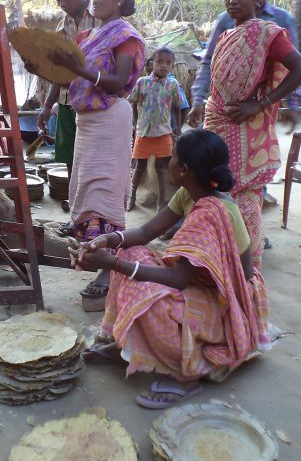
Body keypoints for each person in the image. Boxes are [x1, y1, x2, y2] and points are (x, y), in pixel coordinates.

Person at [70, 129, 270, 408]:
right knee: (129, 251)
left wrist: (111, 263)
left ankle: (187, 374)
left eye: (173, 156)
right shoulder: (189, 194)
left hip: (229, 299)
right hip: (201, 282)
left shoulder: (214, 212)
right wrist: (108, 240)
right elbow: (144, 232)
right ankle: (125, 342)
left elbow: (179, 278)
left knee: (155, 306)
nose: (169, 161)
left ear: (184, 170)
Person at [187, 0, 301, 269]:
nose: (233, 0)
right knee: (215, 193)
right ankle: (216, 266)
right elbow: (216, 81)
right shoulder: (227, 34)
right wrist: (200, 104)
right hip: (217, 124)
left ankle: (246, 272)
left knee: (243, 200)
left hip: (246, 133)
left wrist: (261, 104)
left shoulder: (268, 34)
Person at [49, 0, 146, 311]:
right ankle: (96, 256)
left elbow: (118, 82)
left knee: (104, 192)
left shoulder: (126, 36)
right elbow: (64, 75)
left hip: (110, 119)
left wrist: (78, 68)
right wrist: (41, 65)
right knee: (86, 189)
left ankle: (107, 273)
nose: (96, 0)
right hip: (87, 121)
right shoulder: (89, 35)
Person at [191, 0, 301, 128]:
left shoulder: (279, 23)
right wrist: (198, 100)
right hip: (218, 119)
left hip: (254, 121)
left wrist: (288, 104)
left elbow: (298, 68)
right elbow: (208, 64)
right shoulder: (226, 25)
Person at [38, 0, 102, 235]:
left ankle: (97, 220)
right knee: (71, 163)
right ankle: (77, 219)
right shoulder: (62, 27)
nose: (63, 4)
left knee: (95, 163)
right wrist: (46, 105)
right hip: (67, 104)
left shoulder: (101, 17)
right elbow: (58, 73)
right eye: (57, 1)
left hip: (96, 105)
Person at [128, 46, 189, 212]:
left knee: (162, 169)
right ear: (151, 63)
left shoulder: (173, 84)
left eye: (168, 63)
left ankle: (162, 202)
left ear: (172, 65)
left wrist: (178, 128)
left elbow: (178, 106)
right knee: (139, 167)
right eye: (160, 61)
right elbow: (133, 102)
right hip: (144, 133)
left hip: (163, 133)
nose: (164, 65)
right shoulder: (142, 82)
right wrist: (135, 123)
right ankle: (131, 196)